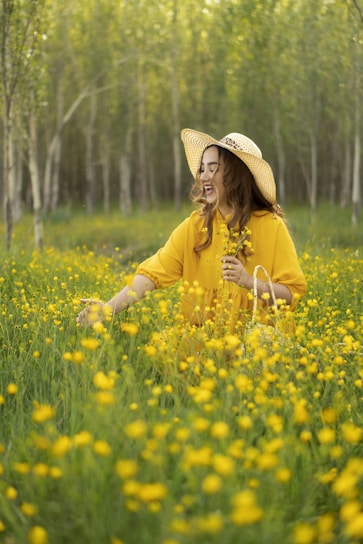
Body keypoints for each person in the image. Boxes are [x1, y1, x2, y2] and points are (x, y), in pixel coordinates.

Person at [77, 129, 306, 333]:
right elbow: (151, 275)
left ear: (236, 175)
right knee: (163, 354)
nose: (203, 176)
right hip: (204, 341)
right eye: (202, 169)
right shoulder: (195, 226)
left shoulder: (271, 226)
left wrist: (248, 281)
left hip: (256, 341)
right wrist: (107, 309)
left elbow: (291, 293)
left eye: (213, 169)